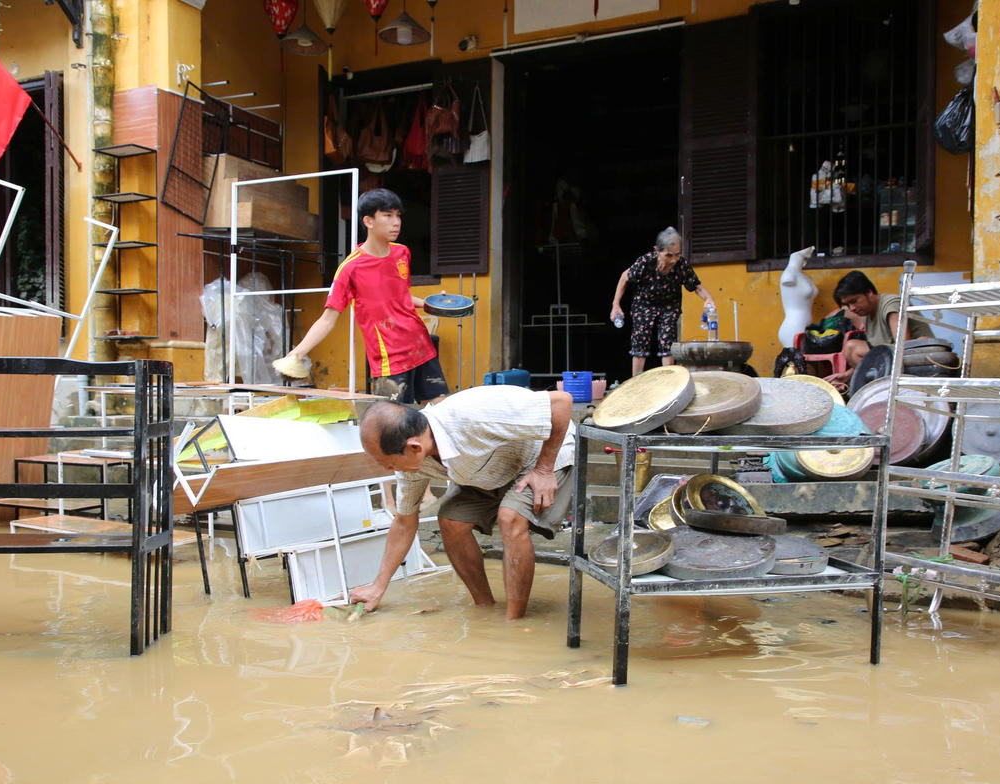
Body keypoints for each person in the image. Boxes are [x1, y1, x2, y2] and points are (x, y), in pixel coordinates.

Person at [349, 385, 575, 620]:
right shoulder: (413, 462)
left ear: (414, 447)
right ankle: (484, 607)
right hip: (489, 469)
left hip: (540, 455)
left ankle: (514, 622)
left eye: (388, 463)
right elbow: (405, 522)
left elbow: (561, 403)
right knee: (451, 521)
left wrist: (544, 469)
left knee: (510, 517)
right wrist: (378, 587)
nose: (389, 470)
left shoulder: (470, 416)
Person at [275, 188, 448, 404]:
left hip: (421, 345)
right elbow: (327, 320)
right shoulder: (350, 268)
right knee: (394, 418)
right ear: (368, 221)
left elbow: (400, 297)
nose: (396, 222)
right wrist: (298, 354)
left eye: (398, 215)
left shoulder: (402, 253)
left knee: (441, 408)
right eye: (388, 215)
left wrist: (432, 304)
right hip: (390, 358)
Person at [609, 226, 717, 376]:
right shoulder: (645, 262)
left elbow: (696, 287)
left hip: (669, 306)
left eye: (677, 254)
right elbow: (624, 277)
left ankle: (668, 379)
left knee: (668, 341)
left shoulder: (681, 265)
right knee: (640, 341)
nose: (674, 260)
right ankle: (636, 381)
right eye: (668, 255)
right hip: (644, 304)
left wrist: (709, 299)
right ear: (657, 251)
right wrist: (616, 305)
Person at [825, 270, 934, 389]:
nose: (852, 308)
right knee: (852, 349)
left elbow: (903, 345)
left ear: (869, 292)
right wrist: (847, 375)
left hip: (919, 357)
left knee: (852, 347)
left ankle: (880, 388)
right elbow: (874, 352)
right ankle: (877, 388)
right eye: (847, 305)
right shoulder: (866, 314)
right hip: (891, 358)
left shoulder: (891, 304)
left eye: (854, 301)